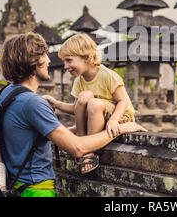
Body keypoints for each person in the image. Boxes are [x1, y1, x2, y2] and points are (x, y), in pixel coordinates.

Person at [0, 32, 146, 197]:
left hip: (14, 183)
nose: (48, 60)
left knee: (90, 100)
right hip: (35, 188)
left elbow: (121, 101)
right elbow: (78, 147)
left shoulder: (6, 94)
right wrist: (122, 129)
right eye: (44, 55)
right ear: (33, 63)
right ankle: (90, 151)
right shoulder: (32, 102)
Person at [44, 33, 136, 174]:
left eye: (69, 61)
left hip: (121, 117)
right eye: (64, 62)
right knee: (85, 96)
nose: (66, 66)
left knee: (93, 102)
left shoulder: (107, 75)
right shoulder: (79, 80)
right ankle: (82, 138)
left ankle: (89, 152)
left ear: (86, 58)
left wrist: (114, 120)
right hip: (98, 116)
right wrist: (55, 103)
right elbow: (76, 108)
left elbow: (122, 101)